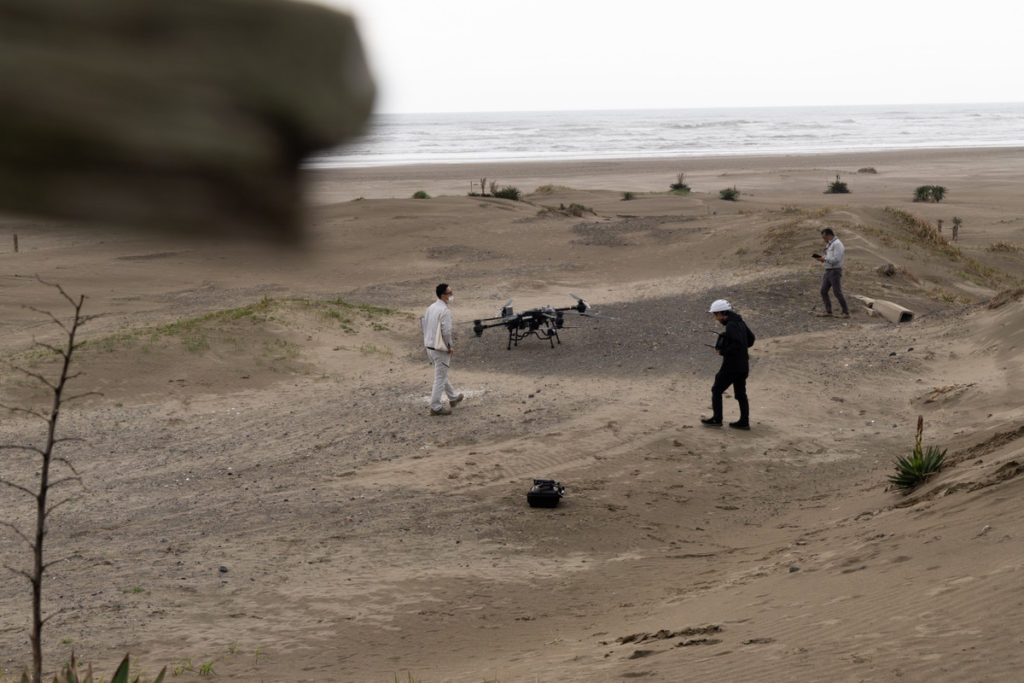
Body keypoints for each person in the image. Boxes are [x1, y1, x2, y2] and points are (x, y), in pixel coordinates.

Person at [701, 299, 751, 430]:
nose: (715, 318)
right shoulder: (740, 322)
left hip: (731, 366)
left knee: (716, 389)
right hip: (743, 365)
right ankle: (744, 422)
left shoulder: (731, 325)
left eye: (715, 315)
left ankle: (717, 419)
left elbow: (737, 344)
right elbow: (751, 339)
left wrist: (723, 351)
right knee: (741, 394)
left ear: (721, 313)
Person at [423, 283, 464, 416]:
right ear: (443, 295)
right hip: (439, 349)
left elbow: (424, 325)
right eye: (449, 293)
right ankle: (435, 407)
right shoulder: (445, 311)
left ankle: (453, 397)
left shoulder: (431, 307)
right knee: (440, 377)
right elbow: (446, 332)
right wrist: (450, 346)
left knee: (442, 373)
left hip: (429, 347)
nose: (452, 295)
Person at [815, 227, 849, 318]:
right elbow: (830, 257)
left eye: (824, 237)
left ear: (829, 235)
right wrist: (823, 259)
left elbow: (836, 259)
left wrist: (825, 259)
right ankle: (828, 311)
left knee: (837, 292)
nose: (824, 240)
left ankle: (846, 312)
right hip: (828, 270)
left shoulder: (837, 244)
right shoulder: (830, 244)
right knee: (823, 291)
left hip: (835, 270)